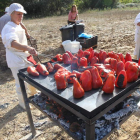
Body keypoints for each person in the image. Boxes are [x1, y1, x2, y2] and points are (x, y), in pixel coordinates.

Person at [1, 3, 38, 109]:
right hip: (16, 59)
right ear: (11, 14)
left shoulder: (17, 24)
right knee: (20, 82)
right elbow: (12, 43)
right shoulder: (8, 28)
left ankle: (33, 94)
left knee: (30, 77)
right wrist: (28, 48)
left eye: (22, 14)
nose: (21, 16)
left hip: (24, 56)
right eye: (18, 14)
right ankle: (23, 103)